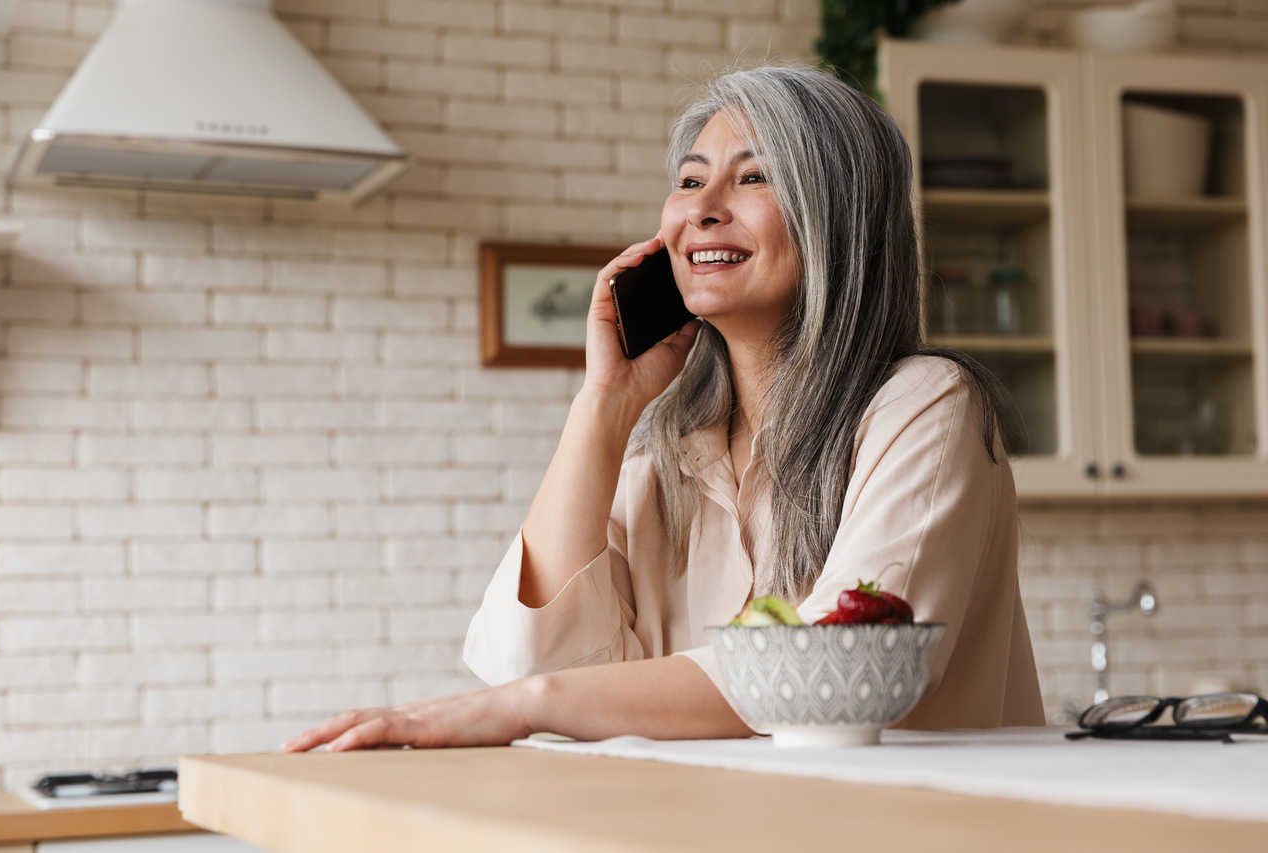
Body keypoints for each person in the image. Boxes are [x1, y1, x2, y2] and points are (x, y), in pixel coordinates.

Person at [283, 64, 1045, 754]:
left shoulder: (924, 405)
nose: (703, 211)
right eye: (689, 181)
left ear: (837, 220)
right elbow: (531, 658)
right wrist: (604, 403)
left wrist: (522, 706)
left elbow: (835, 668)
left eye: (753, 179)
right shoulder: (666, 455)